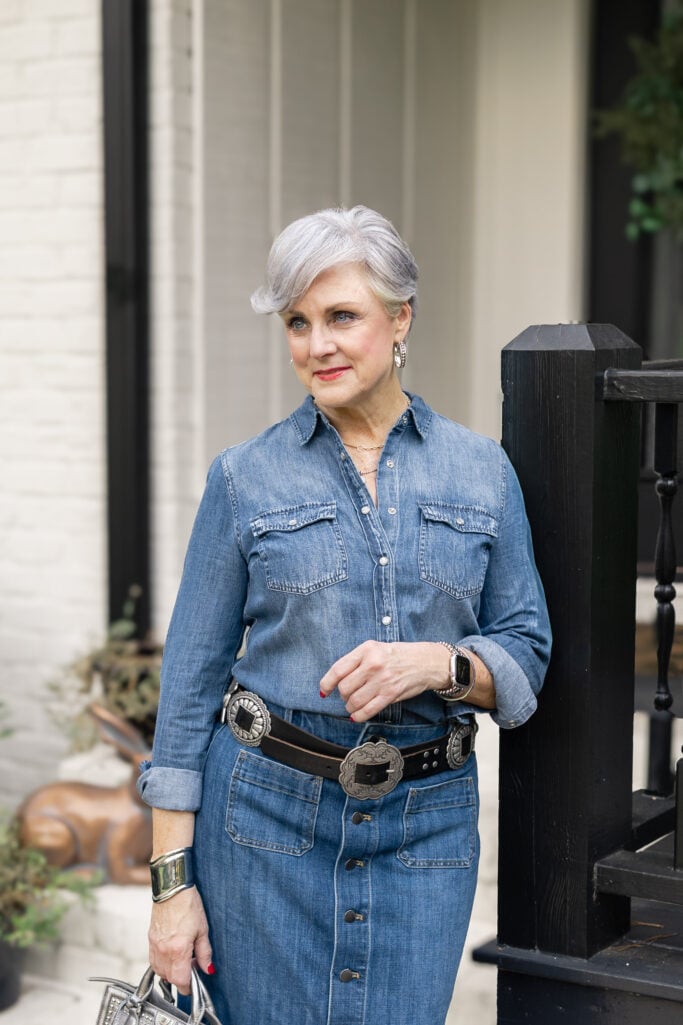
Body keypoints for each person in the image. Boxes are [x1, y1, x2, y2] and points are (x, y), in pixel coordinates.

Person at [138, 205, 551, 1025]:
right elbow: (185, 697)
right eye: (297, 322)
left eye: (340, 316)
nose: (316, 344)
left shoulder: (482, 472)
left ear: (400, 319)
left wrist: (439, 664)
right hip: (263, 821)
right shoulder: (243, 478)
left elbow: (525, 648)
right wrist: (170, 889)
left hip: (426, 826)